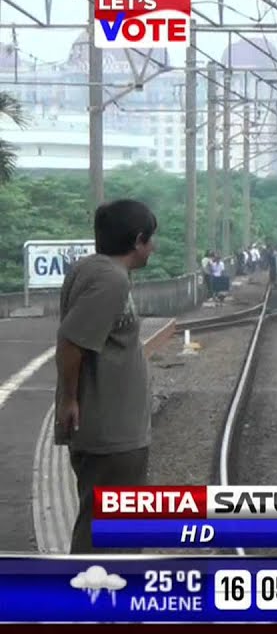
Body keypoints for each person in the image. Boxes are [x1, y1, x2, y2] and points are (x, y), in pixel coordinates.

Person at [55, 199, 158, 553]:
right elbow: (72, 340)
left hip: (112, 431)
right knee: (108, 534)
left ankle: (103, 601)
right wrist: (69, 400)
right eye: (151, 240)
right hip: (112, 435)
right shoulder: (110, 281)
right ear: (138, 239)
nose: (153, 248)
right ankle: (93, 605)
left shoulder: (93, 270)